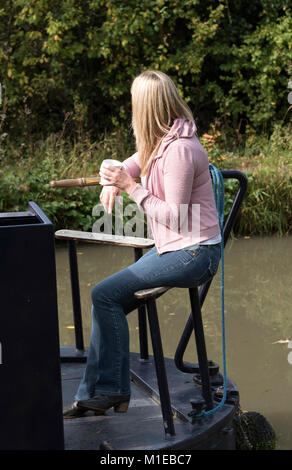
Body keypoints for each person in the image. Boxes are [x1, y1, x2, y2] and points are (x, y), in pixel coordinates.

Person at [63, 70, 221, 418]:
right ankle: (97, 394)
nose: (131, 108)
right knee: (106, 298)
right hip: (175, 248)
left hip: (196, 252)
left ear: (146, 107)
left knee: (103, 294)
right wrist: (111, 180)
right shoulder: (158, 143)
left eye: (135, 102)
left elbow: (176, 217)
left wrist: (129, 186)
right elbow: (120, 165)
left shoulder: (179, 150)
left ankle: (111, 391)